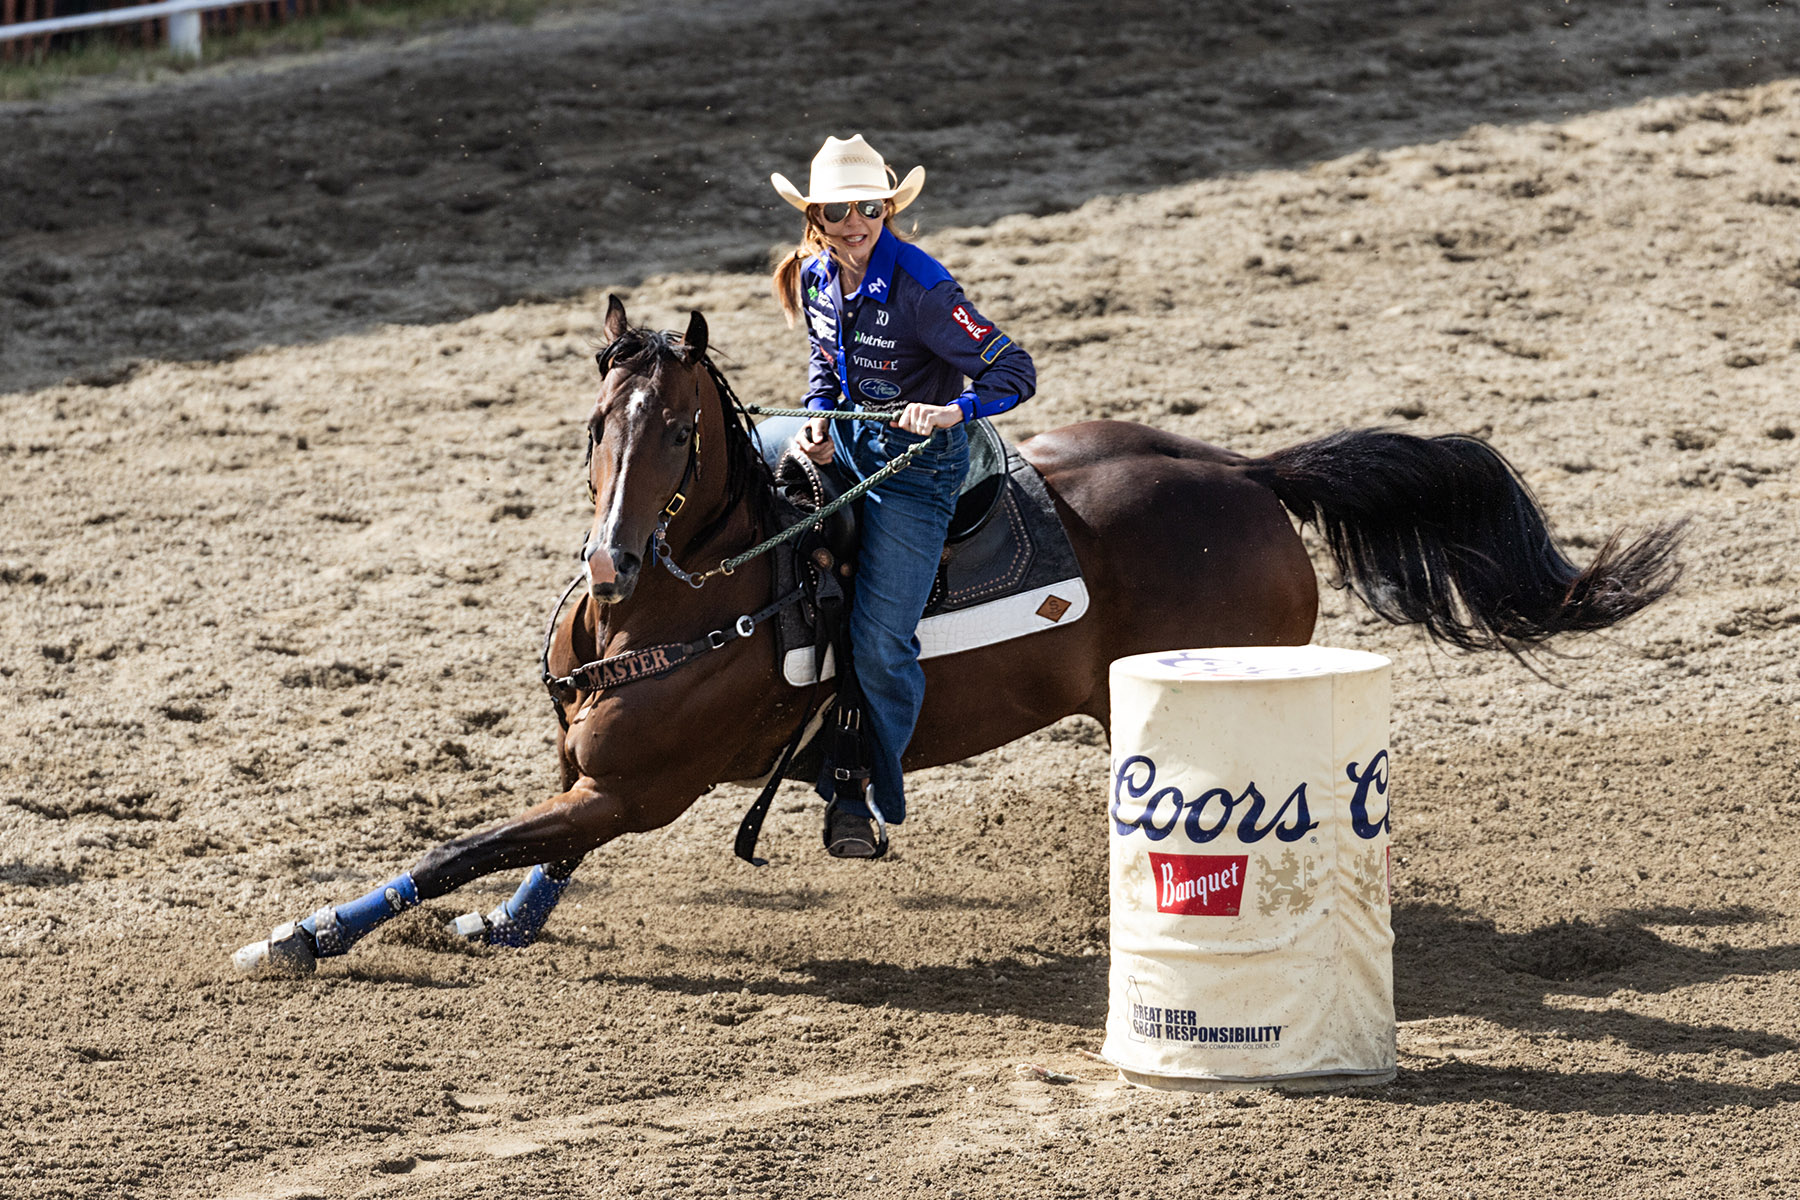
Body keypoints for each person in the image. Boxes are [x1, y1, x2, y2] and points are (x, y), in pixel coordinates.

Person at [769, 134, 1036, 858]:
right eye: (838, 209)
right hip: (847, 447)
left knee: (881, 641)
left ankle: (862, 789)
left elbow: (1015, 369)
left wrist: (956, 411)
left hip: (918, 473)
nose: (855, 221)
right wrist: (817, 420)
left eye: (869, 207)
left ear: (887, 209)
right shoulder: (817, 278)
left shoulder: (923, 290)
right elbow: (825, 373)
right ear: (815, 217)